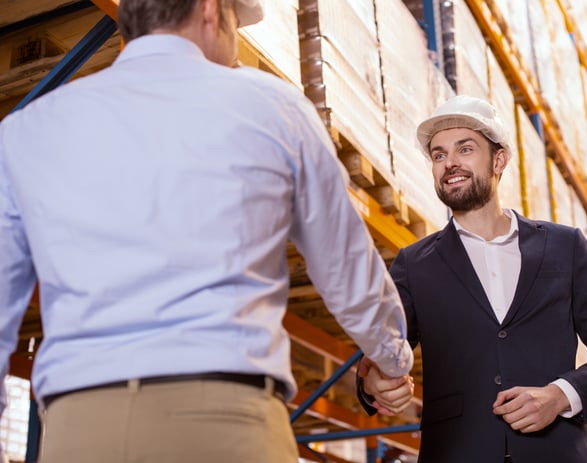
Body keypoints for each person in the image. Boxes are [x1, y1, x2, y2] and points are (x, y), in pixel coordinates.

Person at [0, 1, 414, 461]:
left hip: (80, 429)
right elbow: (348, 268)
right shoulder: (274, 108)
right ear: (211, 11)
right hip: (229, 423)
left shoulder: (26, 131)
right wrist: (391, 360)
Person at [358, 95, 587, 462]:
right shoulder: (414, 264)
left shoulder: (564, 246)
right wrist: (373, 383)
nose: (450, 163)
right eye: (439, 155)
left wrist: (560, 395)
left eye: (465, 149)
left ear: (499, 159)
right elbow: (381, 351)